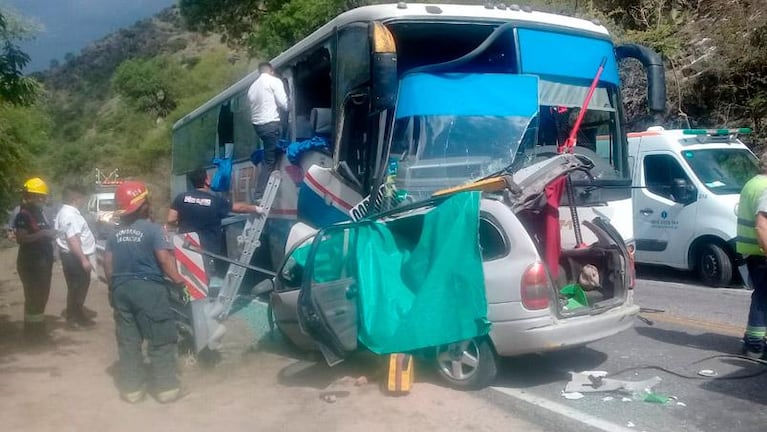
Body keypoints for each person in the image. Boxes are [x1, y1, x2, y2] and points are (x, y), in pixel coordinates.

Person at [104, 181, 186, 403]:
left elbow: (108, 263)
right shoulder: (154, 230)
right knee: (161, 336)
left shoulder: (115, 233)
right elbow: (164, 259)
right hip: (148, 289)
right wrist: (179, 281)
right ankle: (167, 388)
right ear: (142, 206)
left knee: (128, 340)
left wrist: (113, 289)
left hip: (120, 289)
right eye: (147, 200)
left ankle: (132, 390)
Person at [166, 168, 262, 276]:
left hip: (187, 245)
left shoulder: (181, 198)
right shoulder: (215, 200)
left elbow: (171, 219)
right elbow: (238, 208)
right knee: (206, 276)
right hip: (207, 249)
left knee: (188, 276)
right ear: (206, 181)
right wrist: (256, 208)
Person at [13, 177, 56, 340]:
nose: (43, 200)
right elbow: (21, 238)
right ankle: (32, 333)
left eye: (43, 197)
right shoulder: (23, 215)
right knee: (33, 297)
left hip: (43, 262)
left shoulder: (39, 213)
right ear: (31, 196)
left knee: (42, 295)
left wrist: (51, 233)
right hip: (31, 263)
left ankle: (37, 328)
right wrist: (43, 234)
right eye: (40, 197)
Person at [736, 151, 767, 359]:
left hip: (752, 252)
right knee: (763, 297)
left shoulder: (753, 183)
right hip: (761, 252)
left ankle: (753, 339)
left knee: (762, 295)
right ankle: (755, 343)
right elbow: (761, 226)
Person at [55, 184, 97, 328]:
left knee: (77, 288)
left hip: (72, 256)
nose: (83, 201)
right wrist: (84, 260)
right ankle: (74, 319)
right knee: (77, 287)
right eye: (82, 198)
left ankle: (77, 315)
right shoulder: (70, 215)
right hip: (75, 257)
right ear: (75, 198)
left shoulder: (65, 213)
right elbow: (73, 240)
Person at [247, 62, 288, 200]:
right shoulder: (274, 81)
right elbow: (284, 104)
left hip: (258, 127)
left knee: (271, 153)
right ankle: (259, 194)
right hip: (270, 124)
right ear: (271, 71)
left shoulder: (252, 87)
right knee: (270, 160)